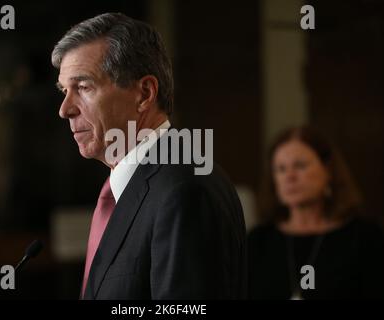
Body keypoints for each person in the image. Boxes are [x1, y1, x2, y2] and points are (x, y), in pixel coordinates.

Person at [51, 12, 246, 299]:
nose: (65, 109)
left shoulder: (184, 189)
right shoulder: (132, 187)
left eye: (83, 87)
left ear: (144, 93)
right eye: (64, 90)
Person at [248, 126, 384, 299]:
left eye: (300, 166)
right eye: (280, 169)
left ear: (328, 170)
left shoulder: (366, 238)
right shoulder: (258, 241)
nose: (289, 177)